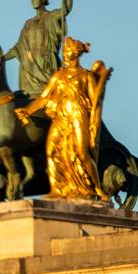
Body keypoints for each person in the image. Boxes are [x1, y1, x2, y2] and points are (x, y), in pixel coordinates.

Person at [16, 36, 111, 200]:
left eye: (67, 52)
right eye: (64, 52)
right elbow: (44, 98)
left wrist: (102, 79)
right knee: (51, 150)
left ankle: (97, 188)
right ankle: (57, 189)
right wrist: (28, 110)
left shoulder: (85, 76)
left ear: (75, 54)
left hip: (78, 116)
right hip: (61, 117)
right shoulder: (58, 76)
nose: (65, 55)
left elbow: (95, 100)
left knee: (82, 153)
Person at [3, 0, 74, 97]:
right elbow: (17, 48)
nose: (32, 0)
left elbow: (67, 7)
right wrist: (1, 59)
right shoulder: (28, 24)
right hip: (28, 71)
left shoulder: (51, 17)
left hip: (46, 66)